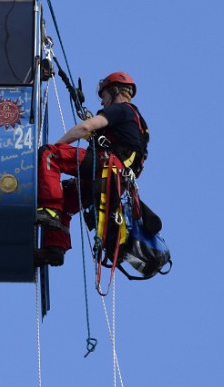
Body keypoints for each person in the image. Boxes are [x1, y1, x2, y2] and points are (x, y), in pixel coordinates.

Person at [34, 71, 150, 266]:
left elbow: (85, 128)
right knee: (65, 199)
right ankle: (53, 249)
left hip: (106, 167)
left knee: (50, 154)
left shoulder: (121, 110)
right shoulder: (137, 123)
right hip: (111, 180)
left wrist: (55, 147)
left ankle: (49, 211)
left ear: (114, 91)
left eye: (103, 96)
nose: (102, 103)